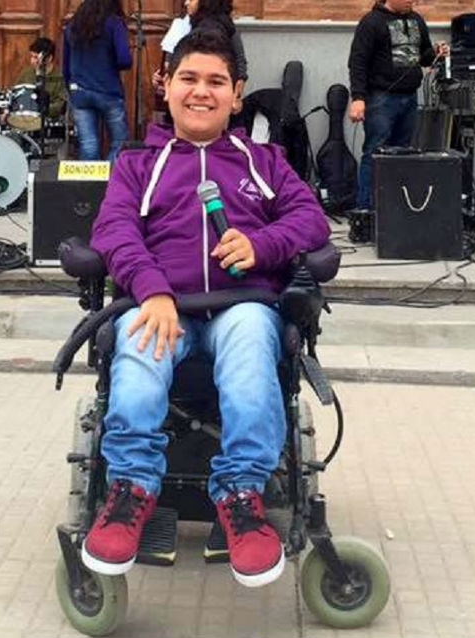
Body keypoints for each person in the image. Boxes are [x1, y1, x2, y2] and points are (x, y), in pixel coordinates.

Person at [84, 29, 330, 588]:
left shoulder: (265, 161)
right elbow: (114, 230)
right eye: (189, 78)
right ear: (166, 86)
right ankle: (130, 490)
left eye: (216, 81)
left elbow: (311, 220)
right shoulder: (137, 164)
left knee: (251, 341)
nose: (201, 91)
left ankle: (242, 495)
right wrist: (152, 289)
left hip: (241, 306)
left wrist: (262, 244)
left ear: (236, 94)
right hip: (160, 305)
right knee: (140, 347)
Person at [347, 0, 448, 212]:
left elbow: (424, 57)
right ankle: (366, 211)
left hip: (409, 98)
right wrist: (358, 98)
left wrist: (436, 52)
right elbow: (358, 62)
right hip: (380, 98)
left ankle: (395, 210)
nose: (412, 1)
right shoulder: (371, 22)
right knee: (375, 153)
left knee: (403, 154)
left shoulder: (417, 20)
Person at [62, 0, 132, 161]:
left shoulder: (72, 25)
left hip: (79, 90)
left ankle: (91, 178)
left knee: (88, 145)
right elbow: (124, 60)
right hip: (108, 90)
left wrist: (72, 88)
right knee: (120, 143)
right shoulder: (114, 23)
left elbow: (65, 66)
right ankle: (111, 176)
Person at [153, 0, 248, 107]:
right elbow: (168, 64)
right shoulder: (183, 25)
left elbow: (240, 66)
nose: (186, 3)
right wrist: (163, 76)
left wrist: (236, 98)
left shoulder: (214, 30)